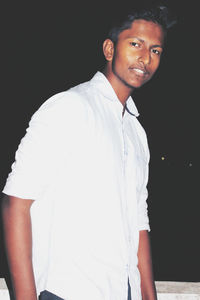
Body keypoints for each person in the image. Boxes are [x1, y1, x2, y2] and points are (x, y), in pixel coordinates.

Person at [2, 3, 176, 300]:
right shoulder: (70, 108)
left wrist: (149, 296)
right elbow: (15, 204)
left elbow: (138, 223)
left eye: (156, 50)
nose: (145, 58)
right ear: (110, 49)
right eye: (135, 44)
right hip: (68, 291)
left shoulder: (136, 133)